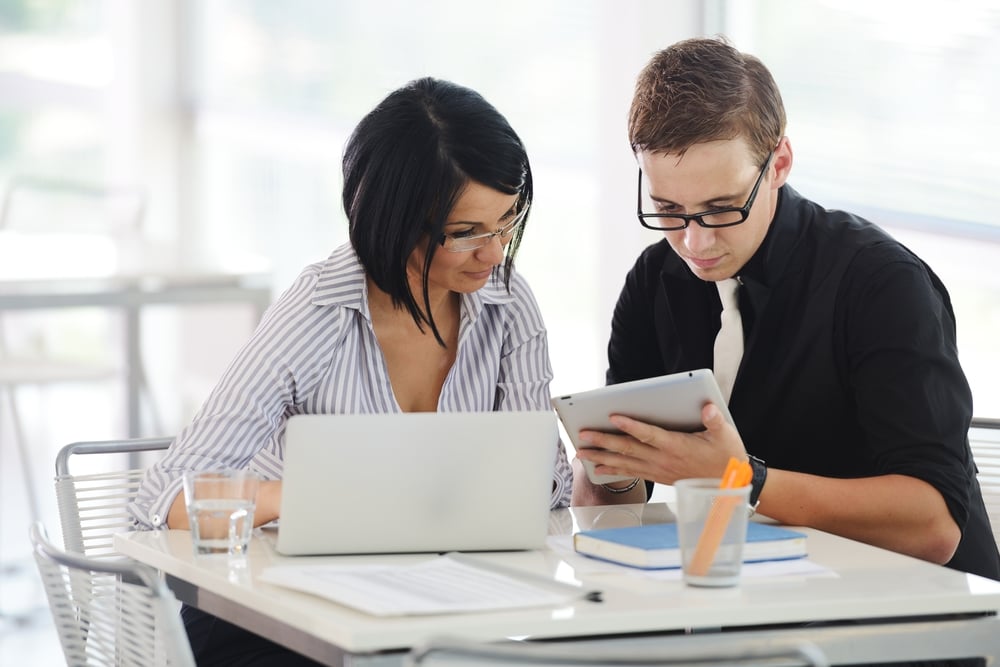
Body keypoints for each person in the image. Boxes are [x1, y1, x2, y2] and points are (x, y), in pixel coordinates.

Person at [130, 76, 573, 665]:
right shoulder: (320, 312)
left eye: (507, 222)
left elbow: (547, 494)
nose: (494, 253)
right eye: (466, 233)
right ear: (394, 219)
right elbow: (164, 499)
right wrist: (318, 495)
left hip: (425, 616)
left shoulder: (508, 307)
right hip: (272, 624)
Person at [571, 36, 1000, 588]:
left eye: (720, 209)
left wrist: (739, 478)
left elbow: (934, 527)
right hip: (759, 605)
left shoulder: (881, 284)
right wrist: (612, 468)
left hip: (912, 615)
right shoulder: (656, 280)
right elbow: (616, 505)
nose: (694, 243)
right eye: (668, 210)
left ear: (779, 164)